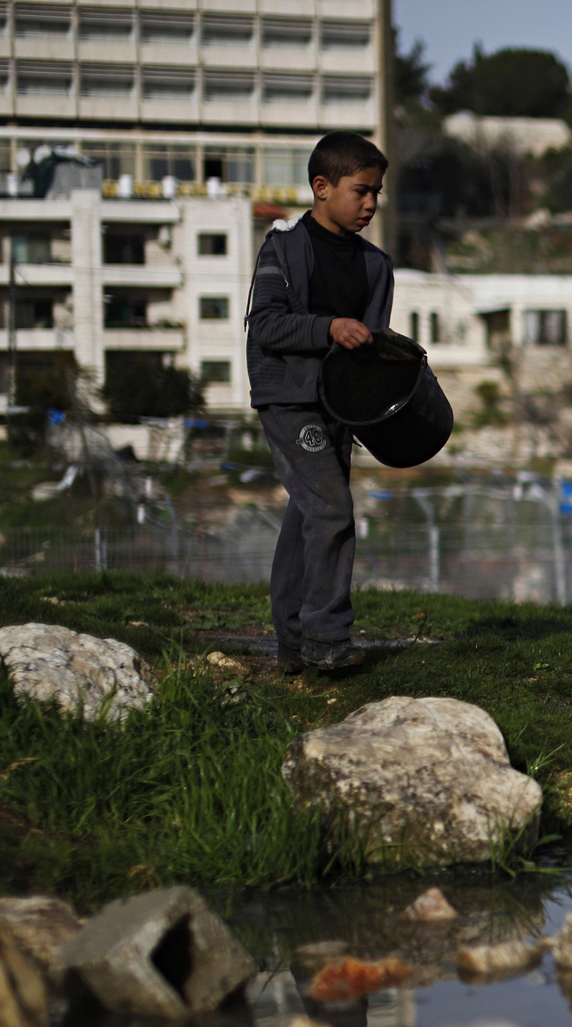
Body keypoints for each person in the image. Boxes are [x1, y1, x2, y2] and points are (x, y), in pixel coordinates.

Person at [245, 131, 393, 673]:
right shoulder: (283, 246)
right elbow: (264, 325)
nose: (372, 203)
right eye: (361, 191)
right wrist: (329, 326)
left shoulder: (377, 266)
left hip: (340, 407)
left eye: (378, 192)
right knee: (331, 508)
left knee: (307, 514)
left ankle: (291, 644)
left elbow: (371, 347)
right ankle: (327, 637)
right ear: (321, 186)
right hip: (288, 398)